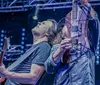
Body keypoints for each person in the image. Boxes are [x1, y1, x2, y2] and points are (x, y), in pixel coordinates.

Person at [45, 0, 99, 85]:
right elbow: (49, 68)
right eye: (69, 24)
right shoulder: (57, 47)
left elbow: (95, 20)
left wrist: (85, 4)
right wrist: (60, 50)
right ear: (62, 31)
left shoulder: (90, 44)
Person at [0, 19, 58, 85]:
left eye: (43, 23)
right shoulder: (33, 48)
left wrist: (6, 73)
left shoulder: (44, 47)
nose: (39, 22)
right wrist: (5, 77)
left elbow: (33, 78)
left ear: (47, 33)